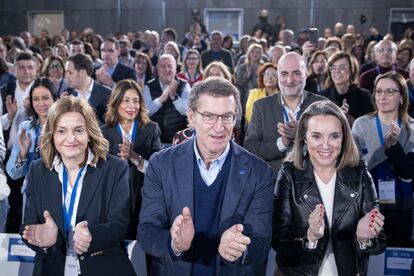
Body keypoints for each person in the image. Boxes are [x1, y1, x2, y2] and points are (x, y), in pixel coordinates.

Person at [138, 76, 274, 275]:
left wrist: (239, 249)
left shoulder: (259, 172)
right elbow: (147, 231)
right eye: (209, 116)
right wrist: (174, 243)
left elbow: (261, 241)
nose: (219, 127)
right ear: (191, 117)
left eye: (227, 117)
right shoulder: (161, 165)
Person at [20, 96, 136, 276]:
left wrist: (92, 236)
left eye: (78, 130)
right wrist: (45, 239)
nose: (70, 138)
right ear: (52, 135)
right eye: (62, 131)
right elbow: (27, 227)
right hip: (51, 268)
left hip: (104, 268)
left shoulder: (115, 168)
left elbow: (119, 225)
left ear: (89, 133)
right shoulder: (37, 170)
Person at [273, 100, 386, 275]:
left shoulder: (361, 174)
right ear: (304, 137)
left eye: (334, 136)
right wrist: (309, 237)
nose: (325, 145)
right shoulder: (289, 175)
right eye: (317, 136)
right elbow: (279, 240)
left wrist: (364, 238)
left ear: (344, 138)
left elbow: (380, 242)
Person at [352, 71, 414, 247]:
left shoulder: (411, 128)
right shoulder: (361, 125)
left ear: (402, 97)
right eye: (378, 91)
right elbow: (355, 168)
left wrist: (394, 148)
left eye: (389, 92)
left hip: (402, 208)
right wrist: (383, 149)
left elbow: (409, 171)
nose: (382, 96)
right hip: (366, 206)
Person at [244, 52, 325, 172]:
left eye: (297, 73)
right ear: (278, 76)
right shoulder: (262, 107)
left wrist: (303, 134)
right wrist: (282, 142)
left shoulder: (322, 105)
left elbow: (334, 147)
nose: (290, 80)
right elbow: (250, 149)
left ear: (306, 75)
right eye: (284, 74)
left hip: (313, 181)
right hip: (273, 184)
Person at [101, 79, 161, 238]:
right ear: (116, 102)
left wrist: (135, 157)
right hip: (112, 202)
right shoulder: (103, 133)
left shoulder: (151, 129)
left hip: (143, 200)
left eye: (136, 101)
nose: (131, 106)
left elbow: (158, 171)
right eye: (126, 100)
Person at [6, 78, 57, 219]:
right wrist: (22, 153)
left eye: (46, 98)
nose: (41, 104)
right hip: (32, 196)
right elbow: (13, 174)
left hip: (61, 195)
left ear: (55, 99)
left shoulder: (64, 128)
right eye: (36, 99)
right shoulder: (26, 128)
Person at [142, 54, 190, 145]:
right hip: (156, 141)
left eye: (170, 66)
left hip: (180, 141)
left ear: (175, 69)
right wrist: (161, 99)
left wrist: (174, 97)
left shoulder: (184, 85)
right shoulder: (148, 86)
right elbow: (145, 112)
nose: (166, 70)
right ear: (157, 69)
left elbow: (187, 111)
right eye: (163, 66)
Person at [321, 51, 374, 126]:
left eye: (342, 67)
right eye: (333, 68)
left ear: (352, 70)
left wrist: (348, 118)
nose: (337, 71)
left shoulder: (364, 96)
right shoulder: (322, 97)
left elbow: (368, 128)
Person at [65, 53, 112, 124]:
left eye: (70, 72)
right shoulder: (67, 94)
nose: (66, 76)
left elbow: (110, 128)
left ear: (83, 72)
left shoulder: (107, 94)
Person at [235, 43, 263, 116]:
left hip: (259, 93)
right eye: (253, 51)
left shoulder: (263, 67)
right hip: (244, 93)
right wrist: (247, 76)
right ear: (249, 53)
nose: (255, 54)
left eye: (258, 52)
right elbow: (238, 83)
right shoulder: (243, 67)